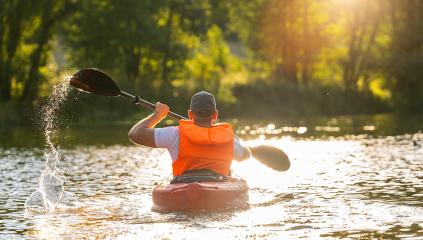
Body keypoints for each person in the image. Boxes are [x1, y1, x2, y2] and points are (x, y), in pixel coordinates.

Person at [128, 91, 251, 179]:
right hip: (218, 187)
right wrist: (235, 139)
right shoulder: (228, 139)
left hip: (183, 187)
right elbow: (245, 155)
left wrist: (157, 116)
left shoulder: (174, 134)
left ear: (190, 114)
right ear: (215, 115)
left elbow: (135, 134)